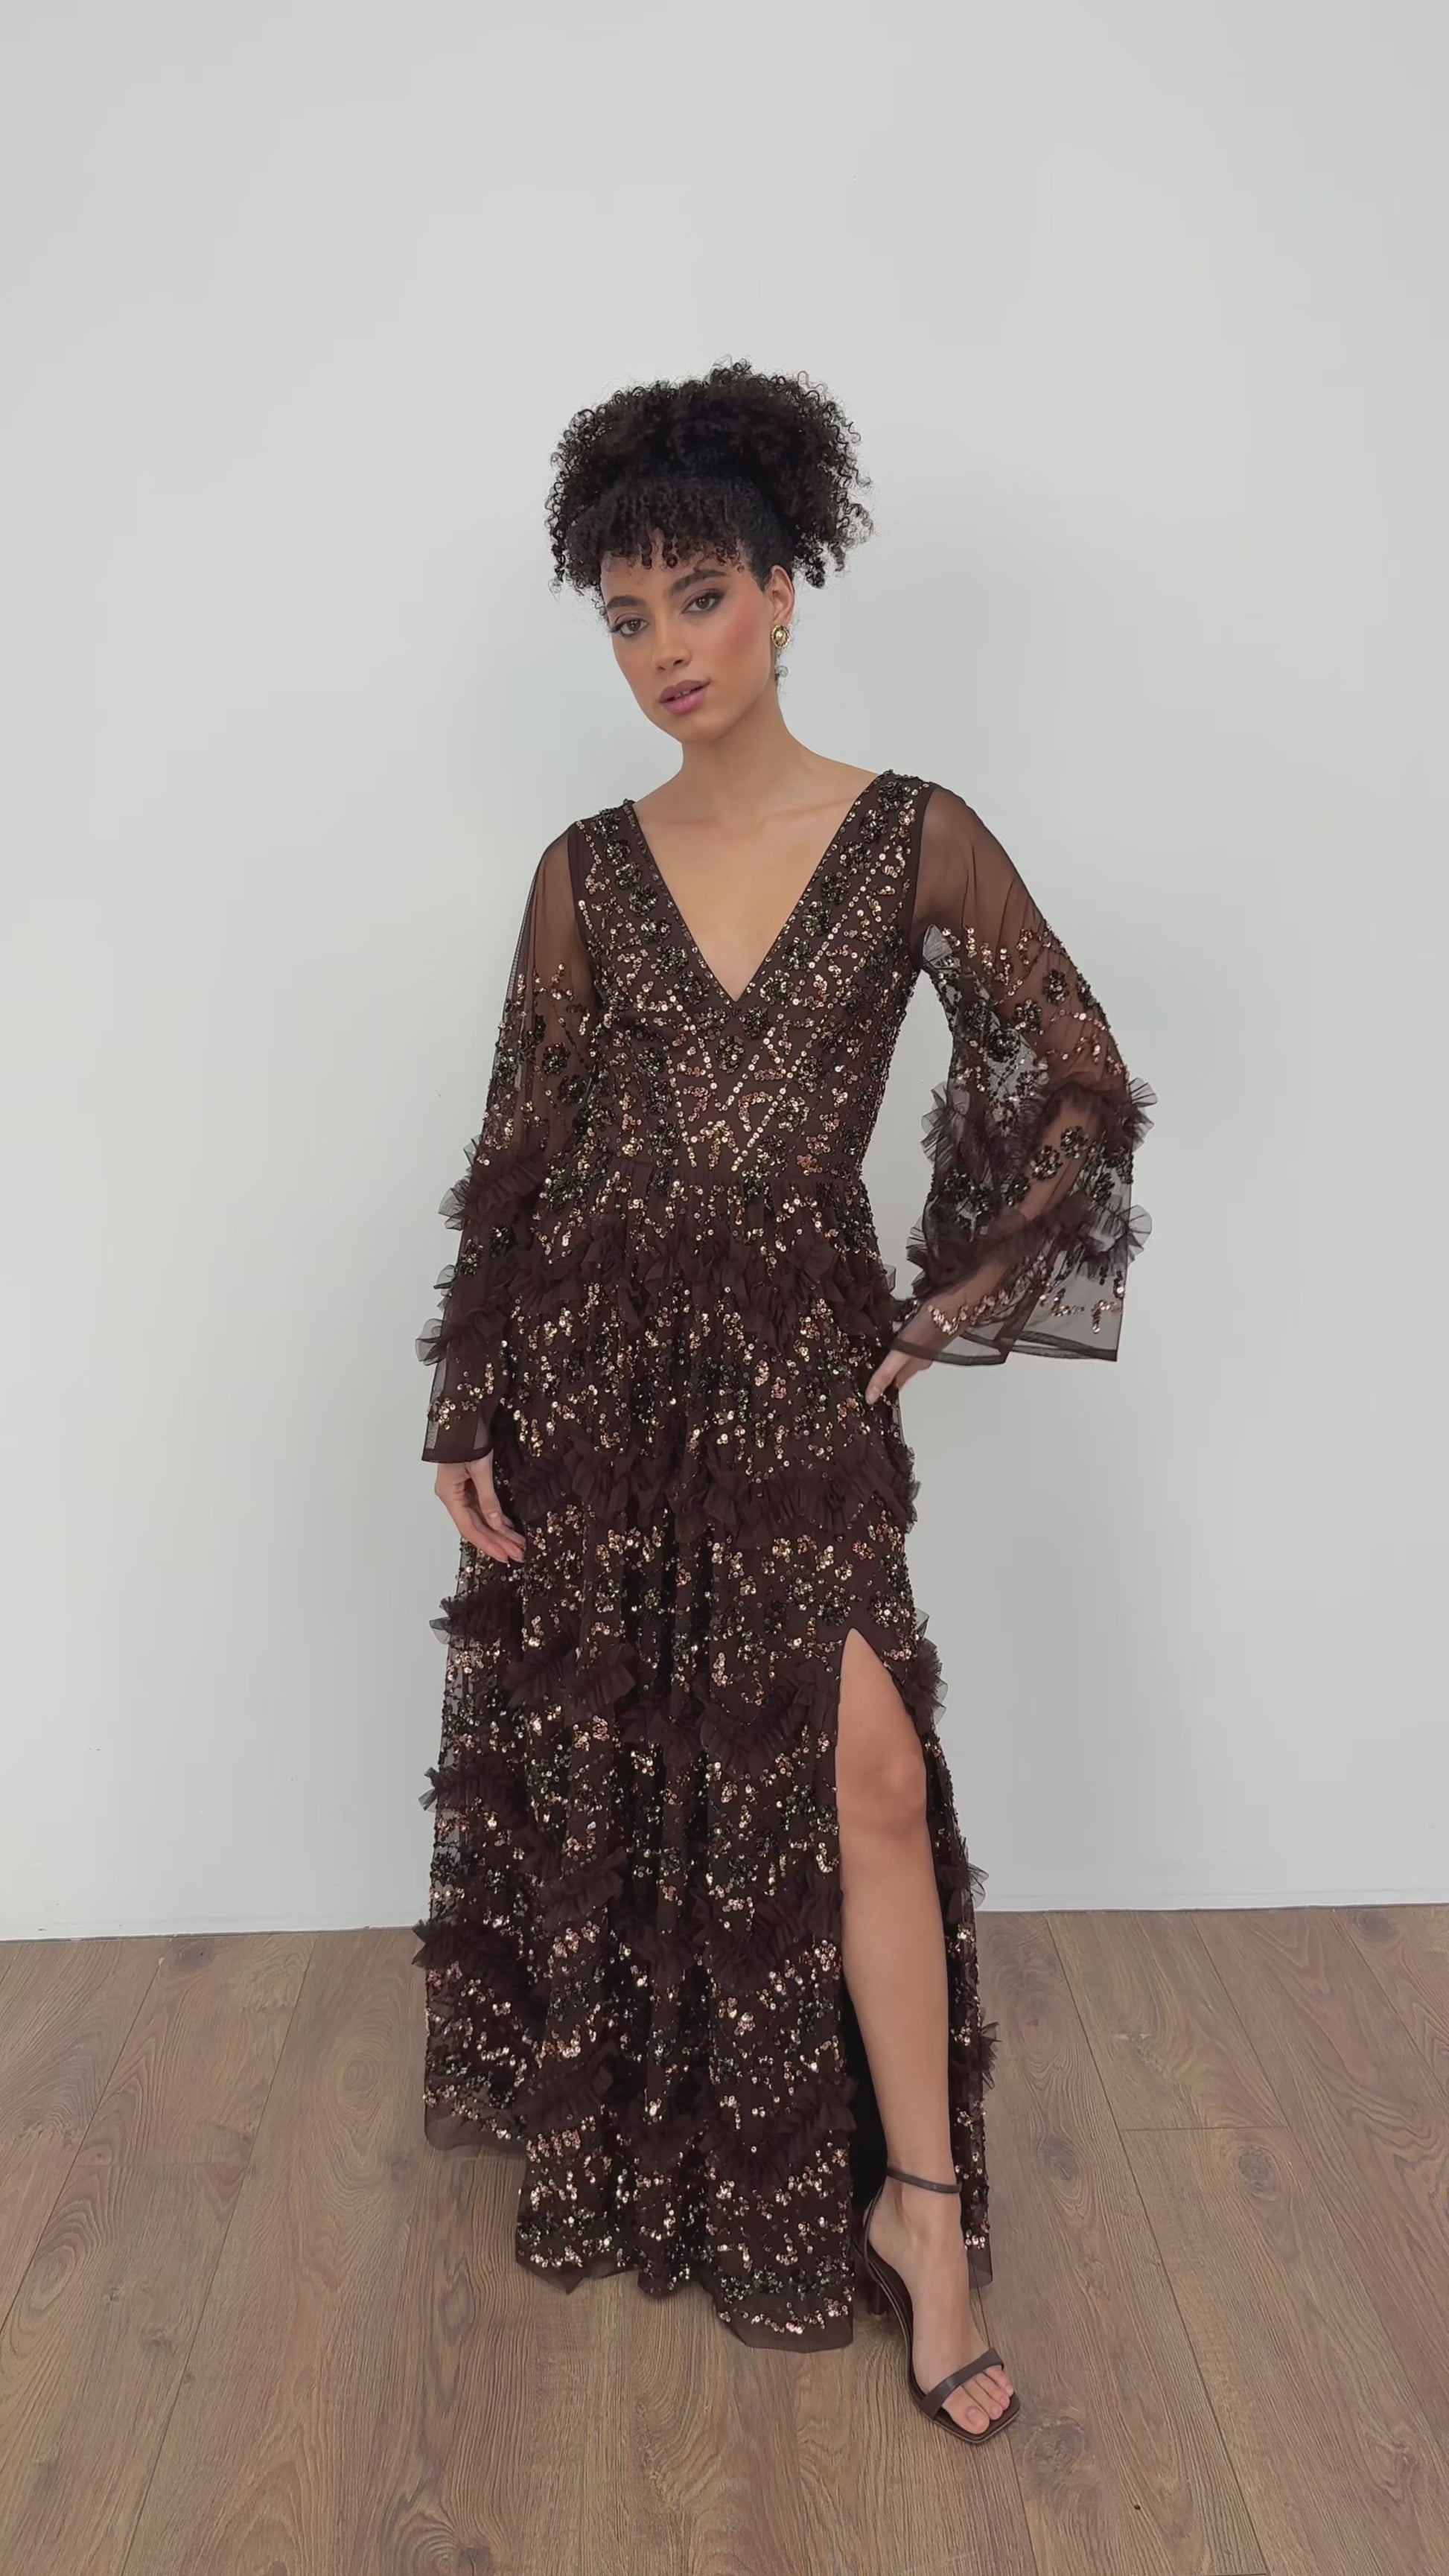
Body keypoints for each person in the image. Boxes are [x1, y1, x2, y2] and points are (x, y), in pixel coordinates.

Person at [412, 360, 1153, 2447]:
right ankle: (683, 2147)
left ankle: (927, 2216)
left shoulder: (914, 837)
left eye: (700, 596)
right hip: (598, 1380)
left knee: (870, 1777)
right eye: (625, 617)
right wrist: (467, 1395)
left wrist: (950, 1302)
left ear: (785, 590)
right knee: (641, 1764)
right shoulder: (581, 869)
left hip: (794, 1375)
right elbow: (519, 1143)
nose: (665, 649)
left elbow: (1082, 1083)